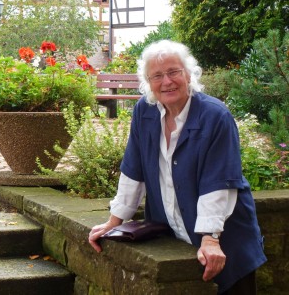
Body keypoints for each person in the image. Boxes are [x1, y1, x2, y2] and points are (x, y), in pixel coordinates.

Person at [88, 40, 267, 294]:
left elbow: (219, 182)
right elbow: (133, 169)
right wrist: (113, 221)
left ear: (188, 74)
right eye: (157, 75)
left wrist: (210, 239)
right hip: (174, 233)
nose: (167, 81)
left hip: (227, 239)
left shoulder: (215, 116)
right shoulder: (144, 111)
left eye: (173, 72)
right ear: (148, 82)